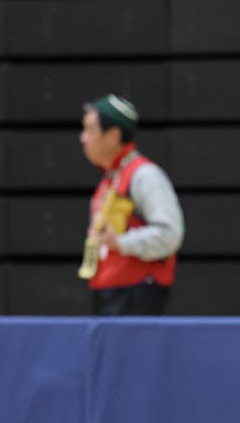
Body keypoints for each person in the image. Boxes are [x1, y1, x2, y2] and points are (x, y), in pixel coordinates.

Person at [79, 94, 185, 315]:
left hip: (136, 295)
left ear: (114, 135)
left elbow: (170, 234)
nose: (83, 138)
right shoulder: (110, 178)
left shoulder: (145, 176)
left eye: (90, 130)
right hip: (109, 292)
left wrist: (120, 242)